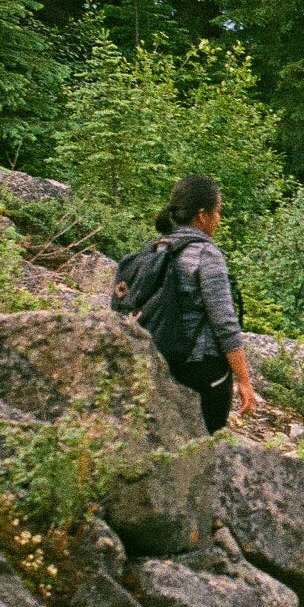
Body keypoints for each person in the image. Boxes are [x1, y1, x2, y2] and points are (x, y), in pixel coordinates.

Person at [129, 173, 259, 434]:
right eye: (217, 211)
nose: (218, 219)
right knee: (205, 444)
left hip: (159, 359)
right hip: (202, 368)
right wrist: (244, 380)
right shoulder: (205, 253)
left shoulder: (157, 247)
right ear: (202, 215)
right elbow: (224, 322)